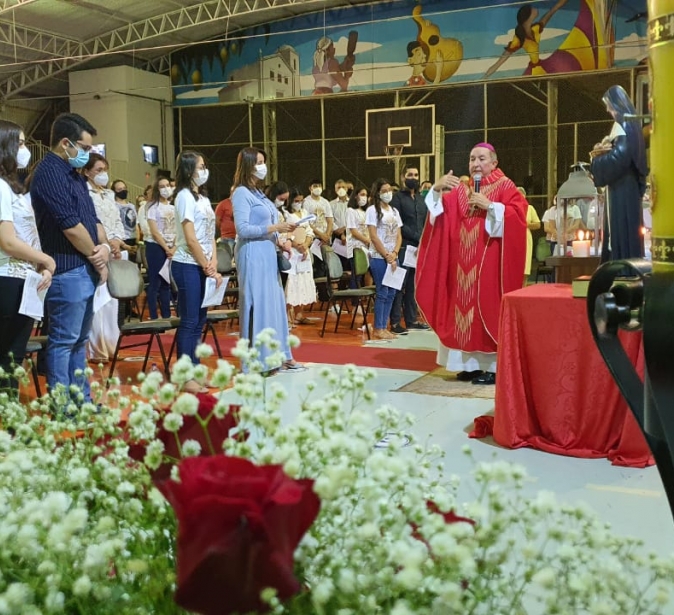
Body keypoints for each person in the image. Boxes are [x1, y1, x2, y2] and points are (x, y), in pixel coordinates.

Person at [416, 143, 527, 385]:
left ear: (494, 163)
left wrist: (491, 207)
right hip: (462, 267)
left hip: (490, 264)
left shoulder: (506, 185)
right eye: (471, 159)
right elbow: (439, 215)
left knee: (488, 310)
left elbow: (519, 215)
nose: (475, 164)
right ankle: (470, 365)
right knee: (463, 316)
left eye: (481, 159)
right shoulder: (461, 190)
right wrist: (436, 189)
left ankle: (493, 367)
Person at [31, 112, 111, 401]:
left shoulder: (73, 174)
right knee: (63, 342)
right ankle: (63, 406)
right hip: (67, 269)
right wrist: (95, 255)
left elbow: (91, 218)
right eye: (85, 148)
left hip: (85, 266)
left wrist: (103, 248)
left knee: (79, 343)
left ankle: (82, 403)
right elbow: (70, 226)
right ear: (66, 143)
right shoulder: (49, 172)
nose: (88, 155)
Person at [231, 147, 303, 372]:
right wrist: (276, 227)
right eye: (258, 162)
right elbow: (243, 229)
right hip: (252, 253)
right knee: (258, 305)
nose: (263, 167)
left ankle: (280, 355)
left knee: (275, 305)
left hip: (268, 252)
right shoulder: (241, 193)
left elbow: (267, 227)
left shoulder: (259, 194)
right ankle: (257, 360)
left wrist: (280, 240)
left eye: (264, 162)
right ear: (248, 165)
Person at [0, 120, 55, 395]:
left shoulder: (13, 188)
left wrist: (38, 265)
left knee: (13, 360)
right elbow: (8, 241)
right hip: (6, 279)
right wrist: (45, 259)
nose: (25, 149)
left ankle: (8, 427)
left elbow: (26, 235)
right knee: (7, 360)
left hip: (23, 279)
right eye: (20, 143)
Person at [171, 150, 222, 391]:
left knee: (200, 320)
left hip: (203, 263)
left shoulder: (202, 198)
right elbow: (190, 239)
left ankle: (196, 370)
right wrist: (205, 265)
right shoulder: (183, 197)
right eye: (200, 167)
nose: (204, 171)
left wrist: (213, 261)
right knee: (190, 320)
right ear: (189, 170)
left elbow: (210, 233)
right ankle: (183, 376)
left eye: (204, 166)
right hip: (187, 264)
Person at [590, 84, 648, 261]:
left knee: (621, 228)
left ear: (616, 104)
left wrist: (597, 162)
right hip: (627, 186)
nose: (608, 110)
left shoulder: (623, 124)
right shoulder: (632, 125)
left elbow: (620, 158)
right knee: (627, 228)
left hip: (622, 188)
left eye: (609, 105)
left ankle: (622, 269)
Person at [82, 153, 128, 363]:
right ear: (86, 171)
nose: (103, 174)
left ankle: (111, 346)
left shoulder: (109, 194)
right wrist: (107, 244)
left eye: (105, 170)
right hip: (98, 249)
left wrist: (117, 240)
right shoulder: (85, 192)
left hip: (115, 249)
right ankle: (96, 350)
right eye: (98, 170)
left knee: (112, 302)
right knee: (99, 302)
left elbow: (117, 221)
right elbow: (92, 223)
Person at [390, 165, 431, 334]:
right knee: (399, 285)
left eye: (416, 175)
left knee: (413, 286)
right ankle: (394, 322)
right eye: (410, 175)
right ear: (403, 178)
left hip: (418, 249)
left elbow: (426, 222)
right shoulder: (397, 199)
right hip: (403, 245)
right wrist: (417, 238)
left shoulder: (422, 200)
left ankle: (411, 319)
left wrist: (423, 240)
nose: (413, 177)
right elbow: (399, 225)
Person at [366, 178, 403, 341]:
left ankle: (384, 326)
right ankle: (378, 328)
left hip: (393, 256)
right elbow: (373, 236)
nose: (388, 193)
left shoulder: (394, 211)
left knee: (392, 292)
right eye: (384, 190)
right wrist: (386, 255)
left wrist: (394, 252)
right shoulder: (372, 211)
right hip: (379, 257)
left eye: (390, 190)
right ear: (378, 193)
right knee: (382, 292)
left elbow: (399, 235)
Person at [281, 188, 316, 326]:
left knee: (303, 280)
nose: (299, 203)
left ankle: (299, 313)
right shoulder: (285, 213)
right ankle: (288, 314)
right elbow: (284, 233)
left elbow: (309, 231)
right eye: (296, 201)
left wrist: (305, 245)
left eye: (301, 201)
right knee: (292, 282)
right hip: (292, 251)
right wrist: (296, 244)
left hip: (304, 252)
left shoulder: (305, 212)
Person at [145, 176, 176, 319]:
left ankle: (166, 316)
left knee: (166, 282)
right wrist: (166, 248)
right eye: (162, 186)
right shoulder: (153, 207)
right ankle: (153, 316)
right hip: (156, 247)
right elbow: (155, 232)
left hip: (171, 247)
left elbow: (178, 229)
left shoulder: (173, 207)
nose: (166, 188)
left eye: (168, 185)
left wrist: (174, 247)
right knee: (155, 283)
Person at [517, 186, 541, 286]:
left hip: (526, 238)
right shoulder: (510, 208)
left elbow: (538, 224)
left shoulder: (530, 208)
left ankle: (523, 286)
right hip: (513, 239)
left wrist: (524, 224)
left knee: (525, 266)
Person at [111, 179, 138, 252]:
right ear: (114, 192)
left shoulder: (132, 206)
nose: (123, 190)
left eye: (124, 188)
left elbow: (136, 224)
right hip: (122, 239)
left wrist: (137, 240)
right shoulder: (113, 206)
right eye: (120, 189)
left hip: (133, 238)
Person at [215, 189, 236, 256]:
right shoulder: (222, 204)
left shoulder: (241, 204)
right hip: (227, 238)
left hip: (239, 237)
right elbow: (217, 221)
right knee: (227, 257)